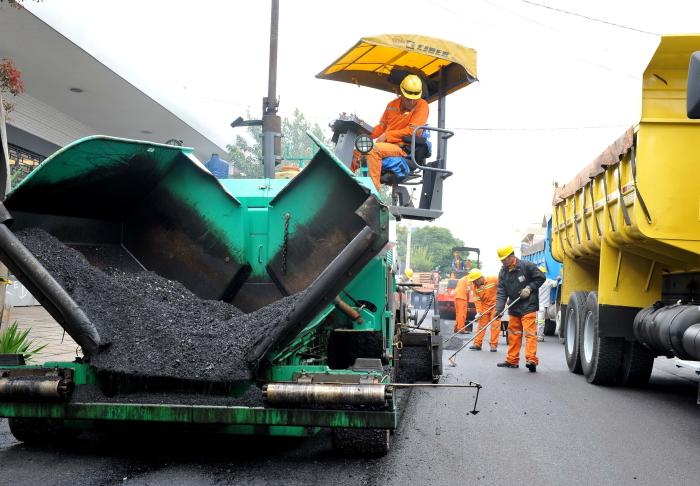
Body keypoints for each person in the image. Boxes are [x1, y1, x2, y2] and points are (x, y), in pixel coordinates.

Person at [350, 74, 429, 191]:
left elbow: (413, 131)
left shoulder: (422, 105)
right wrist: (363, 132)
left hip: (402, 148)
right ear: (401, 93)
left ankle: (373, 195)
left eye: (414, 99)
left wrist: (387, 135)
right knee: (356, 152)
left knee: (372, 150)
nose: (412, 102)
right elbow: (381, 128)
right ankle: (342, 182)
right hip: (386, 146)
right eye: (408, 98)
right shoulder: (391, 106)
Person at [494, 245, 545, 372]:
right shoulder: (503, 272)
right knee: (514, 334)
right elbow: (501, 292)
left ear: (512, 256)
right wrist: (499, 309)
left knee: (529, 333)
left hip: (528, 305)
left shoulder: (526, 266)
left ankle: (531, 359)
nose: (502, 262)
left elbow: (541, 277)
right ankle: (512, 360)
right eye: (501, 260)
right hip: (514, 306)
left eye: (504, 259)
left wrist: (529, 288)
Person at [467, 269, 500, 352]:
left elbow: (503, 286)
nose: (473, 283)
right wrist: (478, 312)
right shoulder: (474, 287)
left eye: (474, 281)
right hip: (484, 306)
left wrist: (502, 301)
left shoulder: (493, 279)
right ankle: (477, 344)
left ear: (480, 278)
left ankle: (493, 345)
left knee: (495, 325)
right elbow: (477, 300)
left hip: (495, 305)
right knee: (481, 325)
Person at [536, 265, 557, 342]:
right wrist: (557, 279)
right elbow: (555, 284)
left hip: (535, 305)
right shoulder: (548, 281)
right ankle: (539, 337)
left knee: (536, 321)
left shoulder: (535, 281)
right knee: (541, 322)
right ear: (544, 273)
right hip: (543, 305)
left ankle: (535, 334)